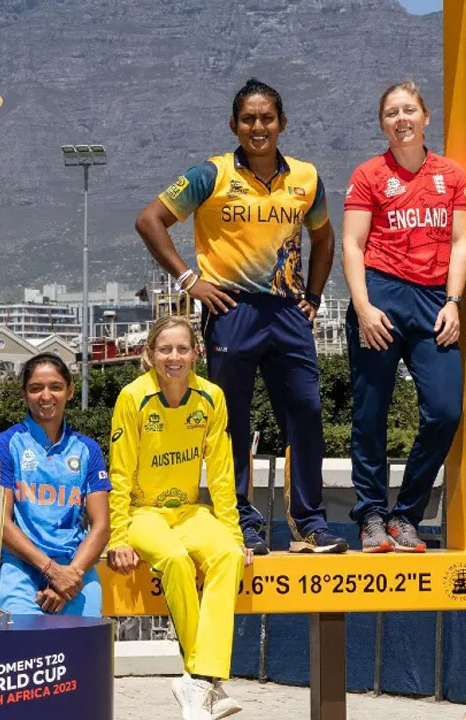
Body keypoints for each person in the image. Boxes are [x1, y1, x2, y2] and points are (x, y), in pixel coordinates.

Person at [134, 78, 347, 555]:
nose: (258, 127)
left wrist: (313, 296)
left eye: (267, 118)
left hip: (288, 311)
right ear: (234, 125)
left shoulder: (306, 177)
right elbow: (149, 220)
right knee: (230, 419)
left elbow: (324, 237)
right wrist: (189, 281)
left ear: (282, 123)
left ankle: (309, 523)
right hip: (230, 309)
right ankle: (241, 521)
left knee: (306, 412)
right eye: (248, 119)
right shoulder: (211, 174)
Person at [342, 80, 466, 552]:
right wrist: (363, 307)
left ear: (425, 117)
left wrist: (453, 301)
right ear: (383, 124)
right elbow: (352, 244)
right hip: (380, 295)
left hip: (434, 300)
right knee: (370, 413)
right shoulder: (369, 174)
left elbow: (461, 242)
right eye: (392, 113)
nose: (401, 119)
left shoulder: (450, 174)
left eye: (409, 110)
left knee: (445, 411)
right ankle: (371, 515)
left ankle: (406, 514)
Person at [107, 316, 249, 720]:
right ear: (149, 354)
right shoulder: (133, 397)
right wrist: (118, 536)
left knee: (228, 556)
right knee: (175, 559)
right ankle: (205, 679)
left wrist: (235, 535)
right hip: (142, 512)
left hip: (188, 510)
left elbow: (221, 475)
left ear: (196, 353)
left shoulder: (211, 397)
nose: (174, 357)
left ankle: (197, 681)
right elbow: (119, 472)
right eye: (165, 349)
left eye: (182, 349)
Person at [0, 353, 110, 616]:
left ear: (70, 391)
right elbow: (0, 522)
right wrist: (51, 571)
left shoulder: (87, 449)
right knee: (24, 640)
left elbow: (101, 526)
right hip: (21, 566)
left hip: (75, 569)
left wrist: (68, 578)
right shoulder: (5, 444)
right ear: (24, 394)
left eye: (55, 387)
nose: (46, 396)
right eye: (35, 388)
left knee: (86, 639)